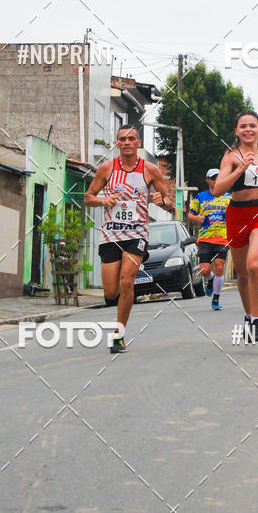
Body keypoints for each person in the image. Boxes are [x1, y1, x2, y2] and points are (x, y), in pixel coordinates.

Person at [84, 125, 174, 353]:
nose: (126, 142)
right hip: (111, 234)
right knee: (111, 292)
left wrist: (160, 200)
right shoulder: (106, 169)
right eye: (122, 139)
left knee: (127, 281)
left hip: (137, 234)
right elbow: (88, 197)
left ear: (138, 143)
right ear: (117, 143)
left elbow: (169, 202)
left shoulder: (150, 170)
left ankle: (119, 335)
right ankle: (117, 320)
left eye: (131, 138)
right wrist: (103, 201)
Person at [214, 111, 258, 342]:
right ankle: (247, 315)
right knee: (243, 273)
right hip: (237, 214)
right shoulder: (230, 157)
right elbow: (218, 189)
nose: (248, 129)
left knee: (255, 263)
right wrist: (240, 169)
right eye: (243, 126)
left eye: (252, 125)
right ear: (236, 131)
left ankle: (256, 319)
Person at [188, 169, 231, 310]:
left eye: (218, 178)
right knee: (204, 270)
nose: (216, 180)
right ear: (207, 180)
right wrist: (196, 218)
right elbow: (190, 214)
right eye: (213, 178)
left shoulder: (228, 197)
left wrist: (229, 214)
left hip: (222, 238)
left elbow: (236, 214)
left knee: (219, 266)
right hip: (205, 238)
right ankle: (211, 279)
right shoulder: (200, 197)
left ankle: (216, 298)